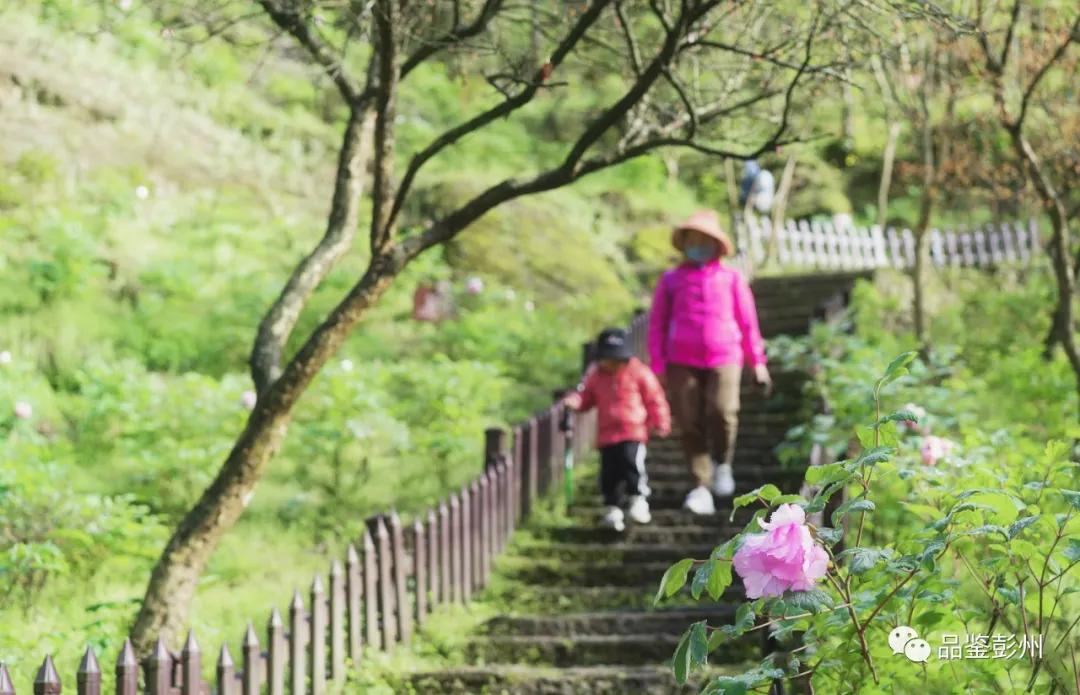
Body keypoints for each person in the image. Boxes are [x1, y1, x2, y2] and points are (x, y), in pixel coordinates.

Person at [647, 209, 771, 516]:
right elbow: (656, 324)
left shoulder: (731, 279)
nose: (699, 244)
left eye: (706, 239)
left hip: (726, 357)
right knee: (689, 422)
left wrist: (757, 362)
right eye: (694, 239)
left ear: (717, 244)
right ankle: (700, 484)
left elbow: (747, 323)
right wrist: (658, 367)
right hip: (681, 359)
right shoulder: (671, 280)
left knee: (723, 411)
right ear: (685, 242)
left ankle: (723, 463)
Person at [563, 328, 671, 531]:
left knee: (632, 466)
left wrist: (660, 422)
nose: (611, 364)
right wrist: (574, 402)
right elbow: (585, 398)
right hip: (607, 435)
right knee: (608, 473)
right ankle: (612, 507)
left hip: (633, 431)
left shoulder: (638, 371)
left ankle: (638, 499)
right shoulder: (596, 376)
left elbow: (654, 398)